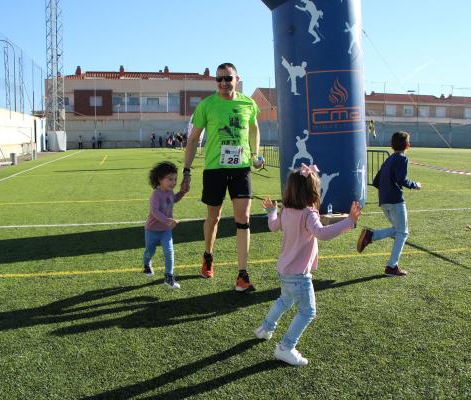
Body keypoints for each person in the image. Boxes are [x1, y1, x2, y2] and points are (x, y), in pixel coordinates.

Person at [254, 164, 361, 366]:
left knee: (284, 300)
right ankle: (286, 347)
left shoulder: (286, 211)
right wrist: (348, 222)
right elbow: (321, 233)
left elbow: (272, 226)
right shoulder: (309, 213)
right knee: (308, 312)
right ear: (312, 191)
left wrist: (271, 211)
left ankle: (265, 328)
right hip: (299, 276)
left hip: (284, 271)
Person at [180, 62, 264, 292]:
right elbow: (193, 139)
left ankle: (242, 274)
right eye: (219, 79)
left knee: (243, 219)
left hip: (241, 168)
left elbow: (254, 128)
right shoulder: (207, 105)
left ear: (237, 79)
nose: (224, 83)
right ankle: (208, 255)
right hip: (215, 169)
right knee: (214, 218)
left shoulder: (248, 103)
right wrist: (186, 170)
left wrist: (256, 153)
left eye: (228, 78)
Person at [356, 131, 422, 276]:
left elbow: (375, 181)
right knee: (403, 232)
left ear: (392, 146)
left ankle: (370, 236)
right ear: (407, 145)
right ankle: (391, 266)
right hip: (395, 200)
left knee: (398, 229)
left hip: (384, 201)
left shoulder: (389, 159)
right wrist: (415, 185)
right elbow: (401, 179)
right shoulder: (402, 158)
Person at [143, 161, 186, 289]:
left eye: (175, 179)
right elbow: (154, 211)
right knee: (150, 251)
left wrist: (182, 192)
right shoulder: (155, 194)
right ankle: (146, 264)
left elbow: (174, 199)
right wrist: (168, 220)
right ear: (160, 179)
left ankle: (168, 276)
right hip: (152, 230)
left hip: (166, 230)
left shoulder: (170, 192)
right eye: (170, 179)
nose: (173, 182)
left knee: (169, 251)